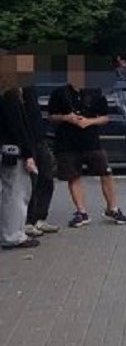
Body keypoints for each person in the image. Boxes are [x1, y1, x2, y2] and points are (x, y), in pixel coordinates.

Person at [46, 76, 126, 227]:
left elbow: (105, 117)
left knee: (106, 173)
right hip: (67, 142)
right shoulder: (59, 93)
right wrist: (66, 117)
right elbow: (51, 116)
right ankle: (81, 211)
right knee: (73, 176)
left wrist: (89, 122)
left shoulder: (95, 92)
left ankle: (113, 208)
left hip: (91, 141)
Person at [0, 69, 40, 249]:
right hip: (13, 151)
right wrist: (28, 153)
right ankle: (13, 234)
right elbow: (18, 127)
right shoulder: (10, 96)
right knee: (16, 192)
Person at [21, 81, 57, 237]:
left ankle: (40, 217)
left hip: (38, 137)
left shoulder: (30, 85)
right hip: (26, 139)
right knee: (31, 181)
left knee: (47, 177)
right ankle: (27, 221)